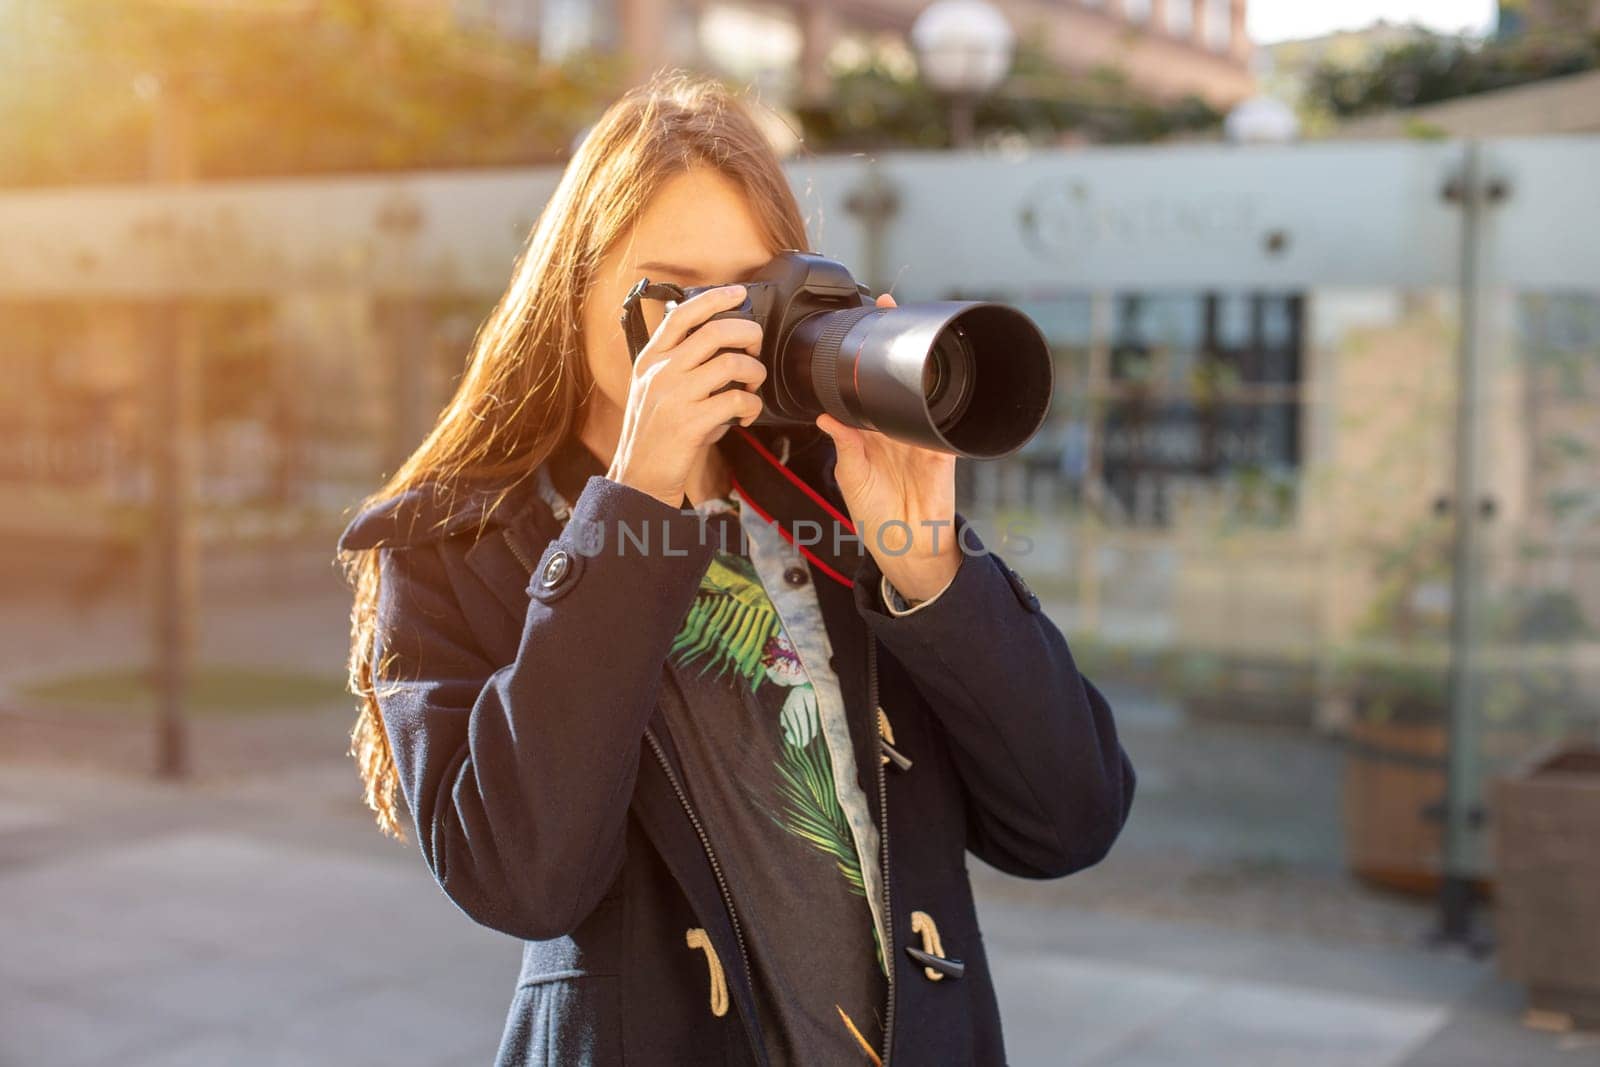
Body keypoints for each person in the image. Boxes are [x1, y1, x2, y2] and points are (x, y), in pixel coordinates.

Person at [334, 70, 1135, 1067]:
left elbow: (1070, 819)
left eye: (747, 294)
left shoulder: (843, 504)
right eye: (672, 297)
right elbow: (521, 880)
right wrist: (634, 499)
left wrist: (930, 570)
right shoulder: (451, 543)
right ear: (567, 292)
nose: (715, 336)